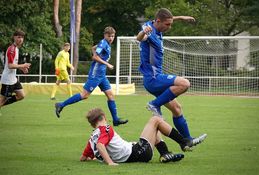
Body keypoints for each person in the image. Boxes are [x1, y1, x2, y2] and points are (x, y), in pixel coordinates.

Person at [136, 8, 207, 141]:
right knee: (184, 83)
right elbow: (140, 38)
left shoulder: (158, 26)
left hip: (156, 78)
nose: (170, 27)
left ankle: (187, 140)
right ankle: (154, 104)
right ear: (158, 21)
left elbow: (167, 18)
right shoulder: (149, 30)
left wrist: (182, 17)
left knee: (177, 108)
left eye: (171, 23)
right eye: (167, 24)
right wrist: (142, 33)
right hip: (153, 78)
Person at [55, 26, 128, 126]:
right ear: (105, 35)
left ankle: (115, 120)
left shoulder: (106, 44)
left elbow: (93, 48)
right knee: (84, 95)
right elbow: (94, 57)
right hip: (96, 73)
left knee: (110, 95)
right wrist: (107, 64)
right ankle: (61, 105)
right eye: (109, 36)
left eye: (112, 36)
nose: (111, 38)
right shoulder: (103, 43)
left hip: (102, 75)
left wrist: (97, 54)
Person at [79, 108, 206, 165]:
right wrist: (110, 162)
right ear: (104, 117)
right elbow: (101, 145)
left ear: (92, 124)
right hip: (138, 153)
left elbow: (83, 158)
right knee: (156, 120)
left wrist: (95, 159)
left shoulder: (92, 138)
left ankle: (164, 154)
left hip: (134, 151)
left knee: (155, 129)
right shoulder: (106, 128)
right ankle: (183, 142)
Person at [0, 29, 31, 107]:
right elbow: (10, 66)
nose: (20, 39)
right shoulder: (12, 50)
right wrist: (23, 65)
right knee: (2, 100)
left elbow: (14, 64)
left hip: (13, 79)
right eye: (18, 37)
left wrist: (21, 68)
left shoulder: (16, 49)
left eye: (22, 38)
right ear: (14, 37)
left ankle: (1, 104)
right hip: (8, 80)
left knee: (21, 95)